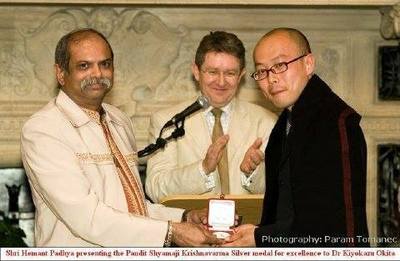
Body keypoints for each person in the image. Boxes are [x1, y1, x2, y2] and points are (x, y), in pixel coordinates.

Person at [20, 28, 221, 247]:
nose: (97, 74)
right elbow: (88, 218)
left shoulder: (119, 120)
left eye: (105, 64)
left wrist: (184, 217)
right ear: (60, 73)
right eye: (84, 66)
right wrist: (172, 232)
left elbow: (131, 207)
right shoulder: (43, 129)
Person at [224, 28, 369, 247]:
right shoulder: (286, 123)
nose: (271, 78)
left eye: (280, 65)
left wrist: (259, 237)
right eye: (262, 71)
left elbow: (330, 224)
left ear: (308, 64)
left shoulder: (335, 121)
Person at [145, 31, 276, 203]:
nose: (221, 82)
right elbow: (156, 188)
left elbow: (282, 192)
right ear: (196, 71)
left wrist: (252, 172)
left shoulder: (267, 122)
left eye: (230, 73)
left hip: (249, 227)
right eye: (213, 72)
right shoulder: (167, 122)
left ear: (241, 76)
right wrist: (203, 169)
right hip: (190, 227)